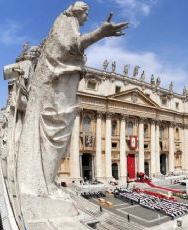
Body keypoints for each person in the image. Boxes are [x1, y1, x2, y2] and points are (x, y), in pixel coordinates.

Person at [15, 1, 128, 219]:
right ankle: (44, 184)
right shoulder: (66, 21)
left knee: (58, 138)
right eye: (86, 13)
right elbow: (72, 46)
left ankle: (46, 183)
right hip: (56, 90)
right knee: (56, 136)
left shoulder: (67, 23)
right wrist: (100, 33)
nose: (87, 17)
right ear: (78, 10)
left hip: (60, 87)